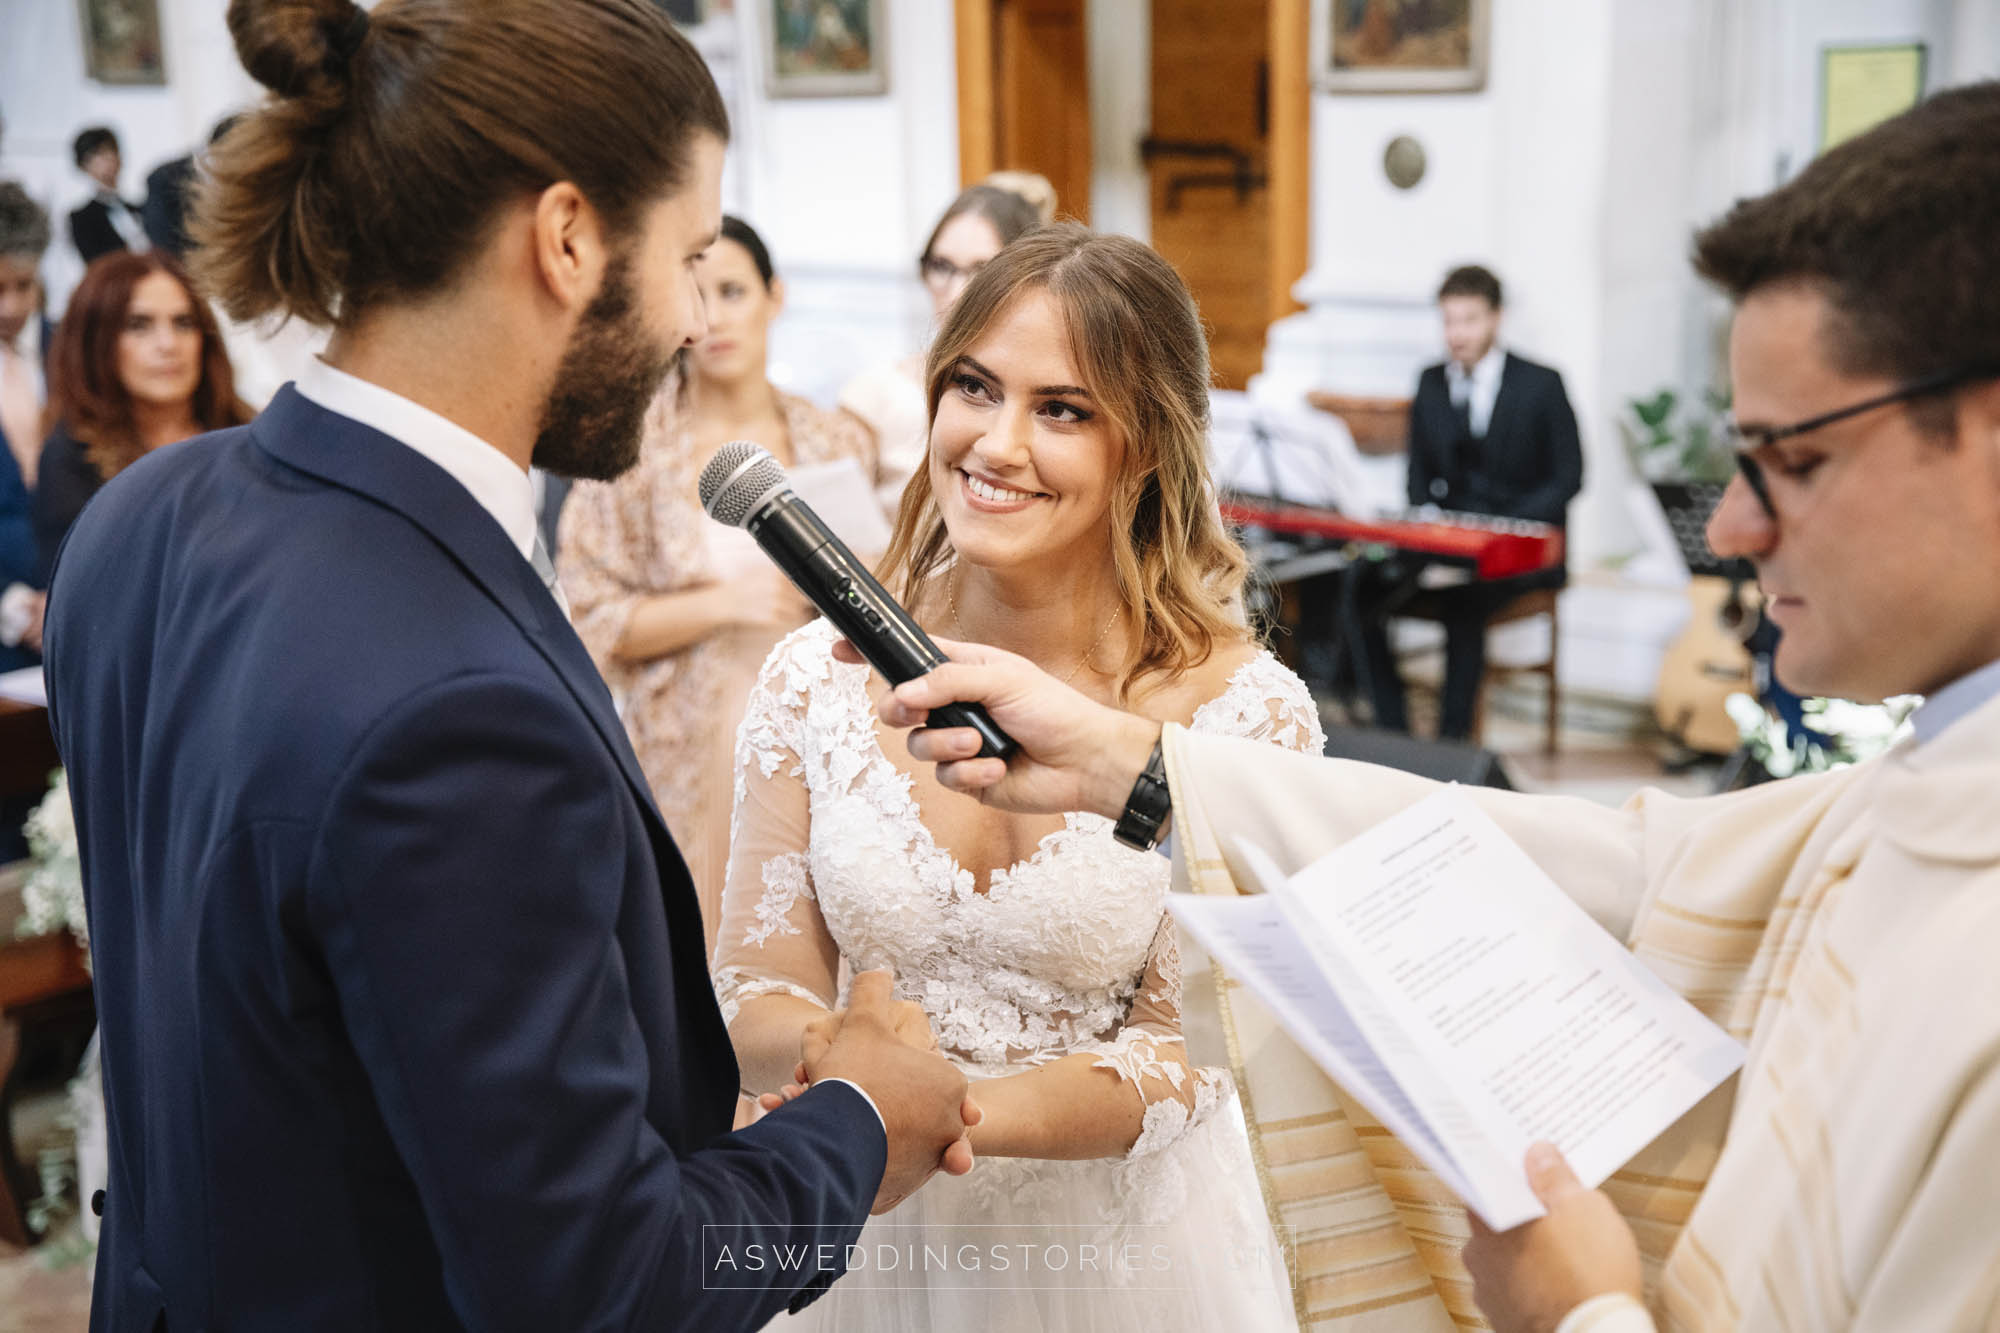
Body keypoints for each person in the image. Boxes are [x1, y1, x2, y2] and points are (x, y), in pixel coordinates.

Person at [858, 84, 2000, 1332]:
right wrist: (1133, 766)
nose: (1729, 525)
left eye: (1792, 459)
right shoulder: (1930, 789)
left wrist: (1582, 1312)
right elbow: (1635, 867)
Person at [41, 2, 975, 1329]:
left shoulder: (144, 518)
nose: (692, 327)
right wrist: (860, 1124)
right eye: (688, 257)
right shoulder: (456, 710)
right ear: (569, 237)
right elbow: (603, 1286)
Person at [716, 223, 1310, 1329]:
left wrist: (935, 1111)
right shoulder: (813, 678)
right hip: (862, 1237)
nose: (994, 443)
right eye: (974, 389)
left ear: (1147, 446)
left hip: (1122, 1264)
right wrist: (835, 1065)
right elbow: (753, 980)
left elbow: (1194, 1050)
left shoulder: (1244, 715)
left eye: (1062, 409)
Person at [559, 214, 875, 945]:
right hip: (688, 754)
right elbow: (585, 615)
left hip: (830, 747)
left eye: (733, 290)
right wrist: (722, 603)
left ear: (775, 295)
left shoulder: (836, 438)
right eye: (695, 293)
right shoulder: (631, 454)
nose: (715, 317)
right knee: (702, 947)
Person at [1355, 263, 1583, 740]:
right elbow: (1418, 477)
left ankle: (1451, 744)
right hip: (1453, 543)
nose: (1457, 334)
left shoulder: (1542, 384)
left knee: (1464, 603)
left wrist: (1506, 530)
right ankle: (1390, 730)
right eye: (1449, 321)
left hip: (1524, 550)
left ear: (1495, 319)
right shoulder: (1432, 382)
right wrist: (1426, 527)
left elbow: (1569, 477)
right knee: (1360, 586)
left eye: (1469, 320)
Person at [32, 250, 252, 585]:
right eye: (139, 325)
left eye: (184, 323)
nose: (168, 344)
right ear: (97, 342)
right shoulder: (71, 459)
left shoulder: (251, 437)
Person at [838, 182, 1043, 513]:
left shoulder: (1049, 392)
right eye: (942, 267)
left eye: (982, 270)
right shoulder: (873, 394)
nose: (956, 291)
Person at [0, 181, 50, 670]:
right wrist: (10, 603)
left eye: (23, 286)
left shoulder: (74, 353)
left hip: (80, 606)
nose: (10, 307)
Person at [66, 126, 147, 265]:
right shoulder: (82, 217)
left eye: (111, 150)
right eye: (98, 154)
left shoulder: (141, 208)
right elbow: (94, 263)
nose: (108, 158)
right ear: (84, 165)